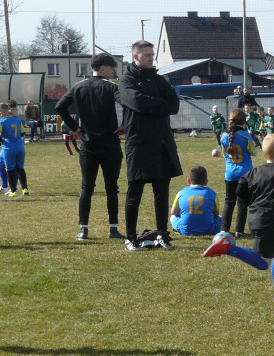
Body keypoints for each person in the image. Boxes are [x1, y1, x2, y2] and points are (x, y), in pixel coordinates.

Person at [203, 134, 274, 302]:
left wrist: (253, 204)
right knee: (263, 263)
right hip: (269, 221)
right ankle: (227, 247)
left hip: (257, 218)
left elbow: (239, 189)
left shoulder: (255, 171)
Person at [118, 40, 183, 251]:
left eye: (152, 54)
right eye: (147, 55)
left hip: (162, 142)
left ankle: (162, 234)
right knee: (134, 191)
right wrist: (157, 103)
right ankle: (130, 237)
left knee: (161, 192)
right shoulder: (126, 80)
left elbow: (173, 105)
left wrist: (151, 103)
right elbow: (135, 101)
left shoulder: (159, 80)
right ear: (136, 56)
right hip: (138, 144)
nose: (151, 58)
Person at [56, 52, 125, 241]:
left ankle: (83, 229)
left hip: (88, 145)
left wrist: (75, 128)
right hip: (110, 144)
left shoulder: (78, 87)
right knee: (112, 188)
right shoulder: (111, 87)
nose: (113, 72)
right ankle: (113, 229)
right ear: (103, 68)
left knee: (87, 187)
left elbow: (60, 107)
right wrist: (124, 125)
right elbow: (127, 104)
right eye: (112, 68)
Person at [220, 108, 258, 239]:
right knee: (242, 203)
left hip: (230, 174)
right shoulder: (246, 136)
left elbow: (224, 153)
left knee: (229, 201)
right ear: (243, 122)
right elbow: (254, 152)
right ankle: (239, 231)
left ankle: (224, 229)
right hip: (245, 174)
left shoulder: (224, 137)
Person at [170, 165, 221, 236]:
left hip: (186, 230)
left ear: (189, 180)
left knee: (172, 217)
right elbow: (216, 214)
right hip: (209, 230)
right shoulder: (212, 193)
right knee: (220, 218)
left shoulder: (181, 193)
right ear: (206, 182)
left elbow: (174, 212)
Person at [0, 100, 29, 195]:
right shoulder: (17, 120)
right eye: (8, 109)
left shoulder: (2, 121)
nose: (10, 111)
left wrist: (1, 140)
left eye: (12, 109)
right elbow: (22, 132)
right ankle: (5, 186)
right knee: (0, 164)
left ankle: (13, 189)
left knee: (11, 168)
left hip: (8, 146)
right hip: (16, 145)